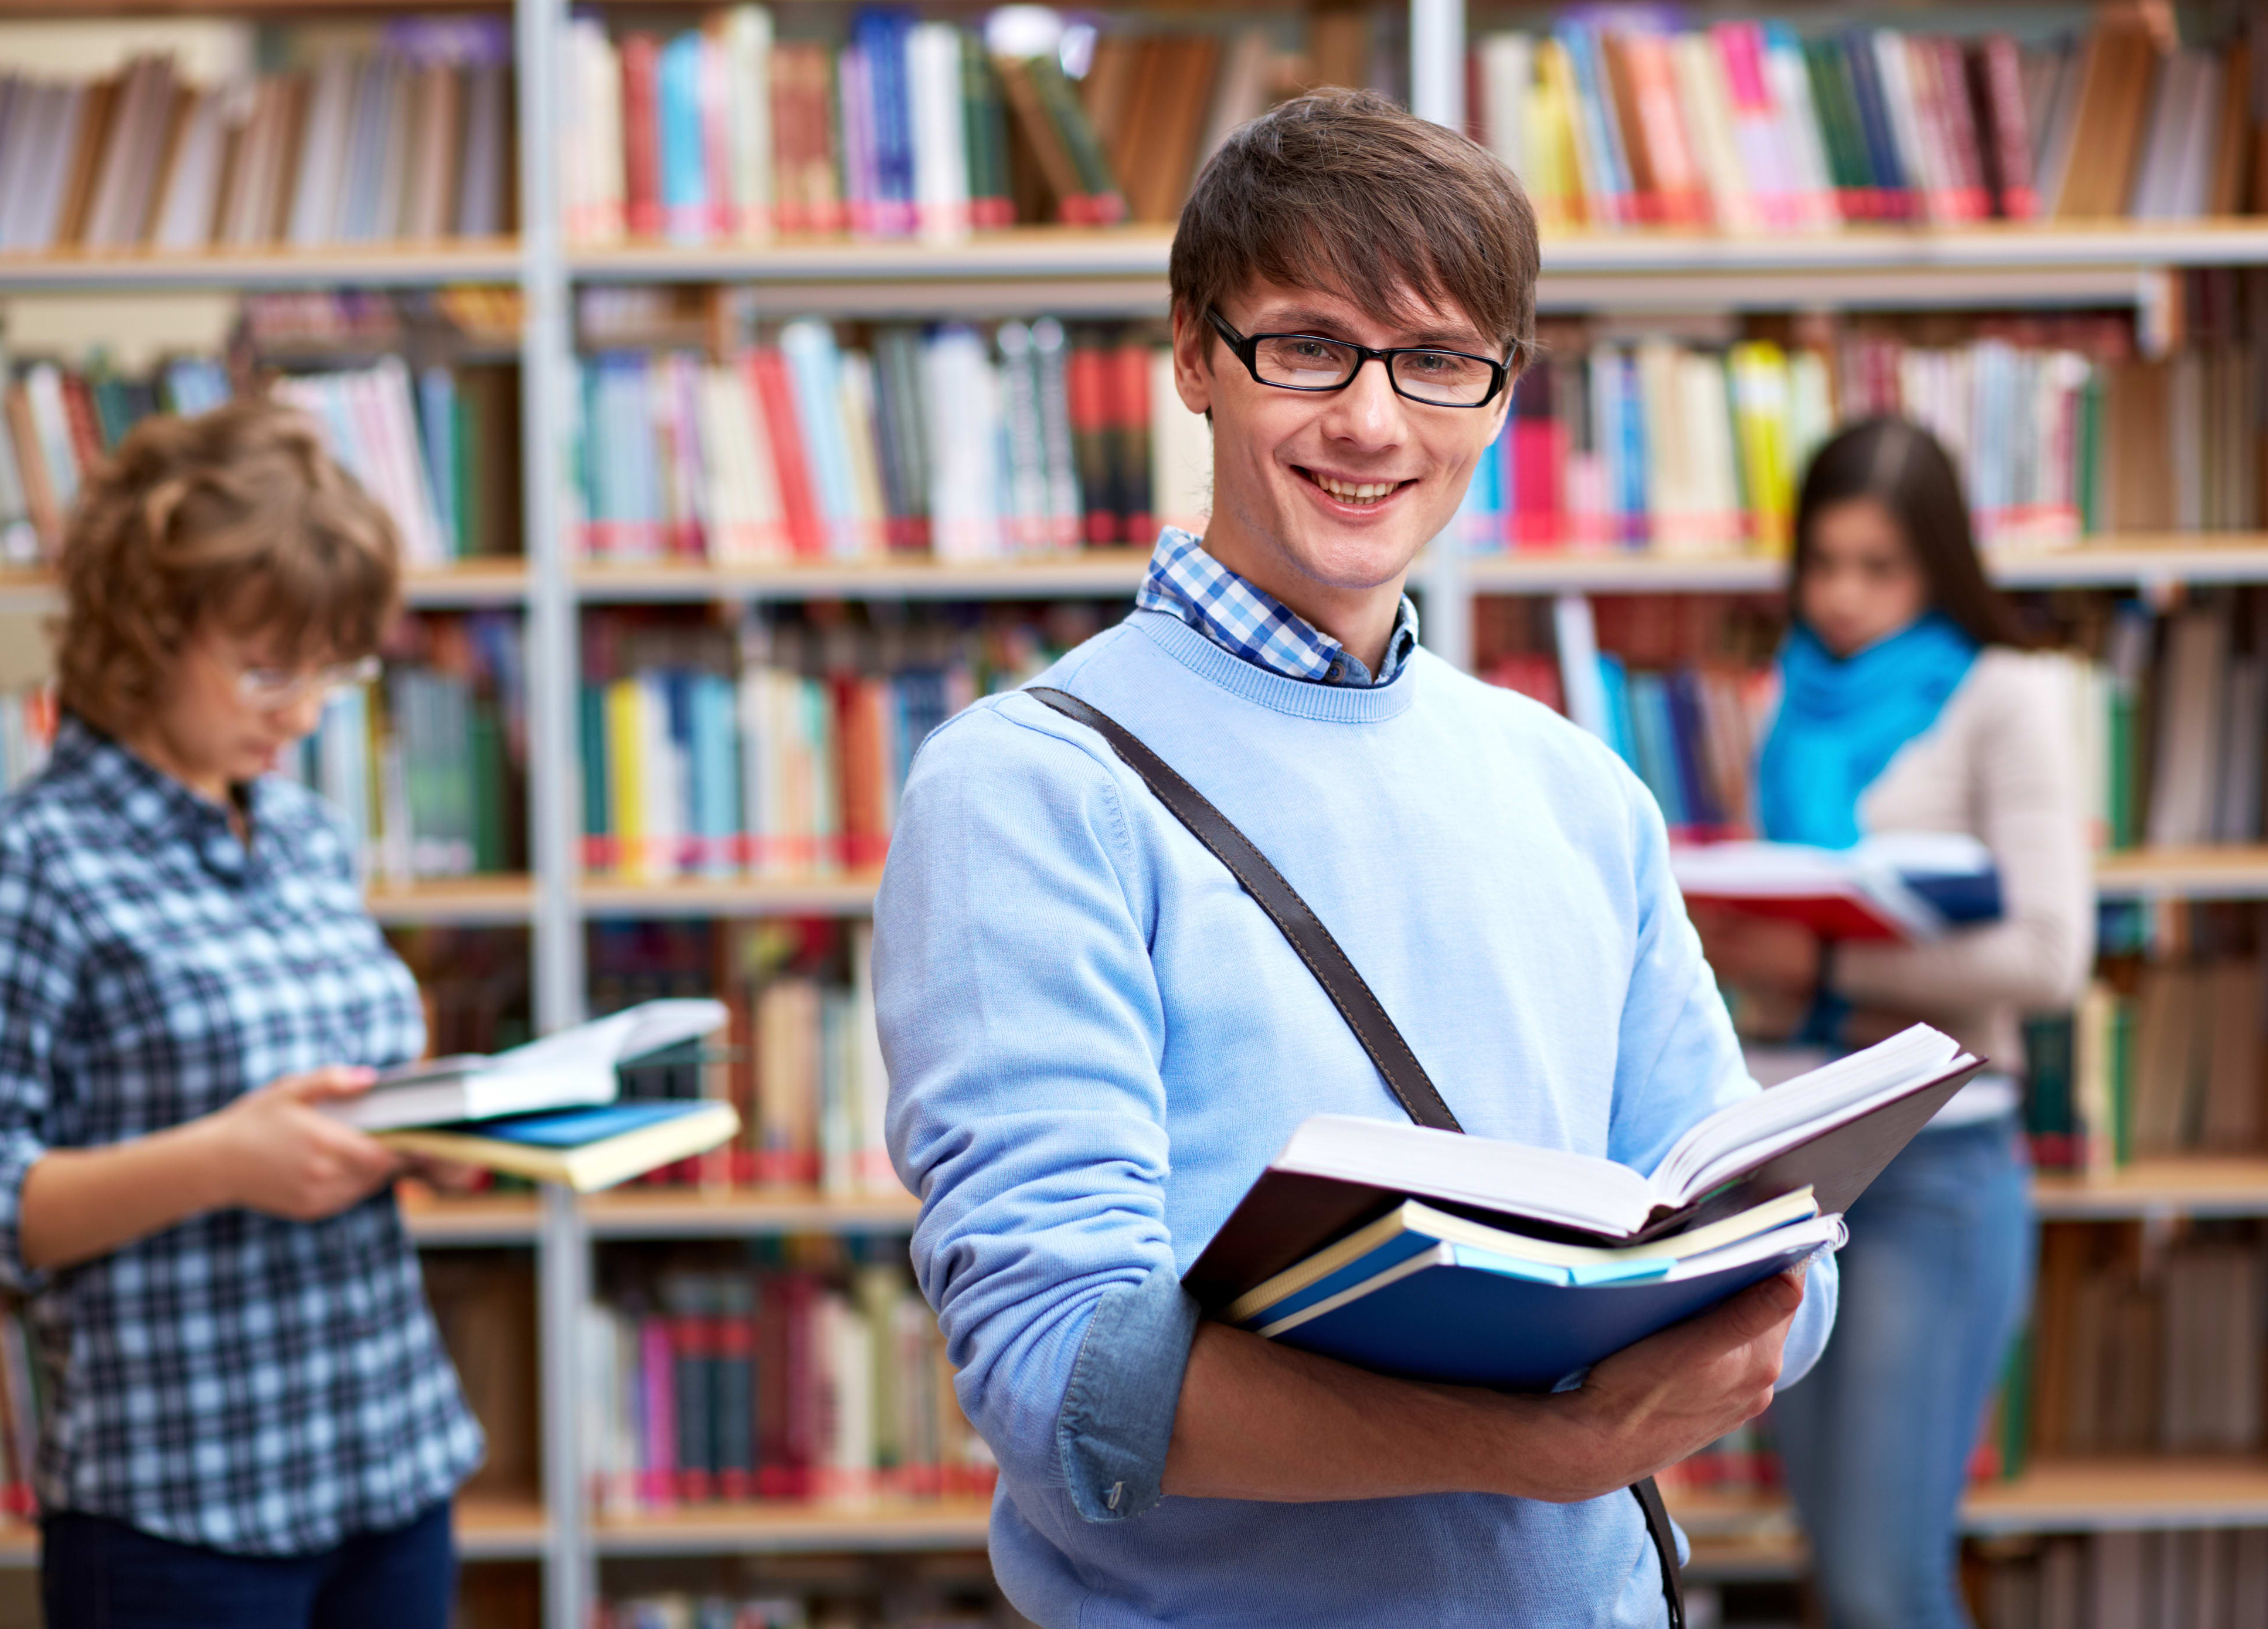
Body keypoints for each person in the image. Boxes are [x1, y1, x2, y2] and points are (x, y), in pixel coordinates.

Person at [873, 90, 1838, 1628]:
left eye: (1440, 360)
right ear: (1194, 352)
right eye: (1308, 344)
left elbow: (1752, 1219)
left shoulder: (1574, 786)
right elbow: (1058, 1371)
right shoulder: (1027, 788)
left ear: (1502, 393)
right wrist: (1539, 1439)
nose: (1372, 421)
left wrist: (1763, 1304)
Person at [0, 401, 483, 1629]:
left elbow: (342, 1084)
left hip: (390, 1459)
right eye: (269, 668)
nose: (307, 710)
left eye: (332, 666)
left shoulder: (304, 833)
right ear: (141, 635)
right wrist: (221, 1160)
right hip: (181, 1509)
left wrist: (436, 1133)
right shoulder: (26, 867)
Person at [1693, 417, 2092, 1629]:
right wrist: (1742, 949)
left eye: (1880, 567)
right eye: (1822, 563)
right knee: (1828, 1558)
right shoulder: (1784, 708)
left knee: (1883, 1580)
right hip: (1787, 1160)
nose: (1843, 596)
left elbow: (2047, 954)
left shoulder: (2002, 697)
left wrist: (1828, 959)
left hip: (1936, 1166)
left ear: (1939, 563)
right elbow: (1781, 964)